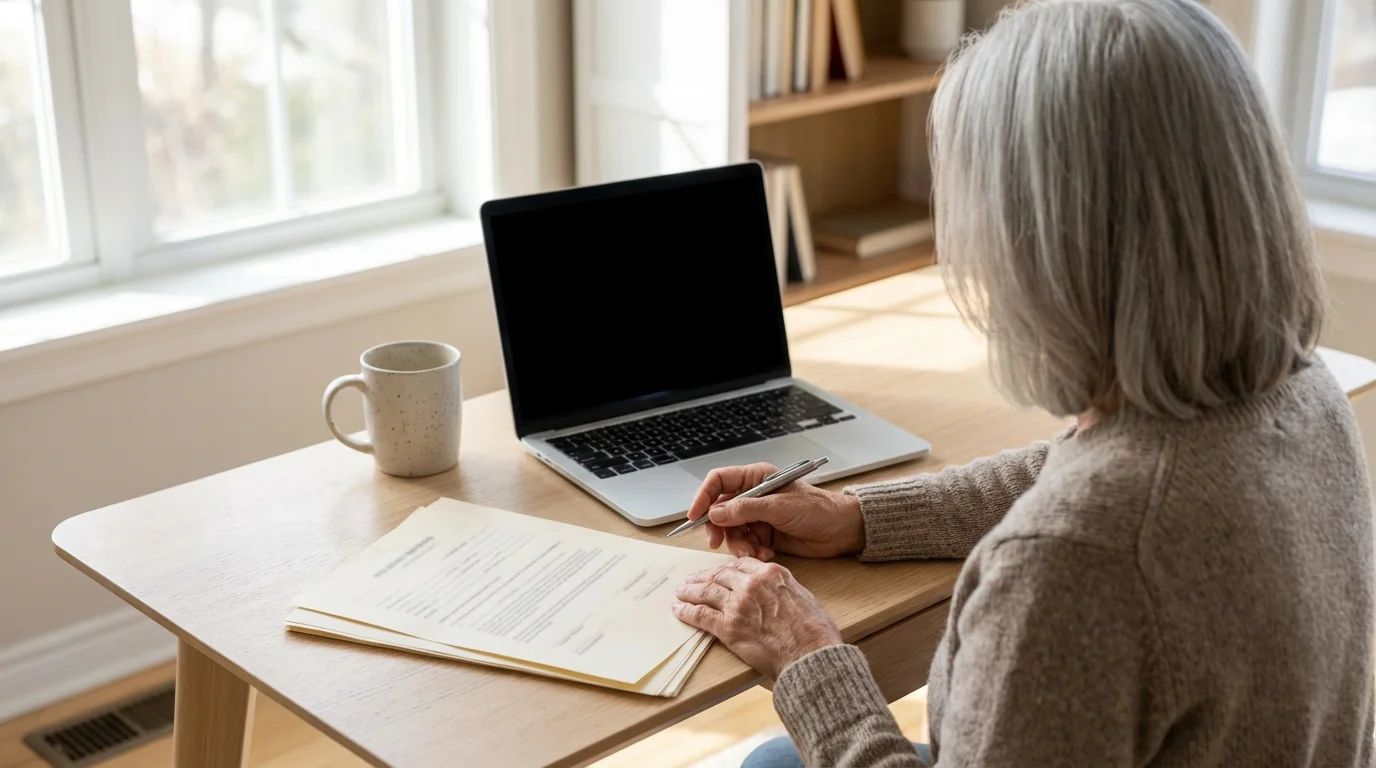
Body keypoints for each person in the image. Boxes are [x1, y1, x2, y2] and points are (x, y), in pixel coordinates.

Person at [669, 1, 1376, 765]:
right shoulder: (1303, 396)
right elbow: (1077, 472)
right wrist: (854, 516)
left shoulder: (1070, 566)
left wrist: (806, 656)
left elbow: (1088, 520)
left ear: (1045, 244)